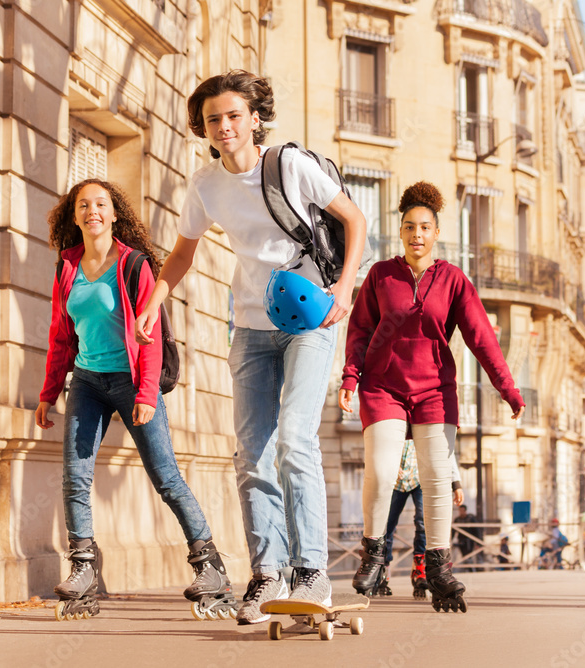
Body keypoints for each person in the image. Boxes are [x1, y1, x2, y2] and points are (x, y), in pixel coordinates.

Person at [134, 70, 367, 625]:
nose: (224, 126)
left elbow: (354, 219)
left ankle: (312, 573)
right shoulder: (205, 185)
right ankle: (268, 574)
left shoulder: (289, 165)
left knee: (295, 437)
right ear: (205, 127)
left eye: (234, 115)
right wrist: (154, 301)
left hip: (312, 317)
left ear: (254, 118)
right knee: (251, 452)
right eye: (214, 119)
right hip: (250, 327)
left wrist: (346, 286)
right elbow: (183, 254)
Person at [35, 179, 235, 621]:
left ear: (114, 213)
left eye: (100, 204)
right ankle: (84, 567)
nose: (92, 211)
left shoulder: (134, 264)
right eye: (83, 205)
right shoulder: (66, 266)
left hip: (130, 381)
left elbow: (149, 337)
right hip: (87, 380)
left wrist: (146, 393)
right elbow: (60, 335)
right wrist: (49, 393)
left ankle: (210, 566)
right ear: (74, 215)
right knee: (75, 477)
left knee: (166, 477)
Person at [339, 181, 525, 613]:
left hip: (434, 392)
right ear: (400, 231)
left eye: (424, 227)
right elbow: (360, 331)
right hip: (383, 387)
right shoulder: (381, 276)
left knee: (438, 480)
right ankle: (373, 555)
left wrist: (507, 388)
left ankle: (439, 569)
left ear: (436, 232)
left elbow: (482, 337)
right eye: (409, 227)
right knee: (382, 473)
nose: (416, 234)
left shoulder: (454, 280)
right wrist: (351, 378)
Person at [374, 440, 464, 599]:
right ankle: (382, 569)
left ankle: (420, 569)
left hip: (421, 479)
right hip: (395, 481)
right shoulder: (398, 416)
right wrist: (388, 466)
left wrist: (455, 483)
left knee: (423, 523)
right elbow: (381, 444)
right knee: (387, 526)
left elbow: (445, 451)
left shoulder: (426, 418)